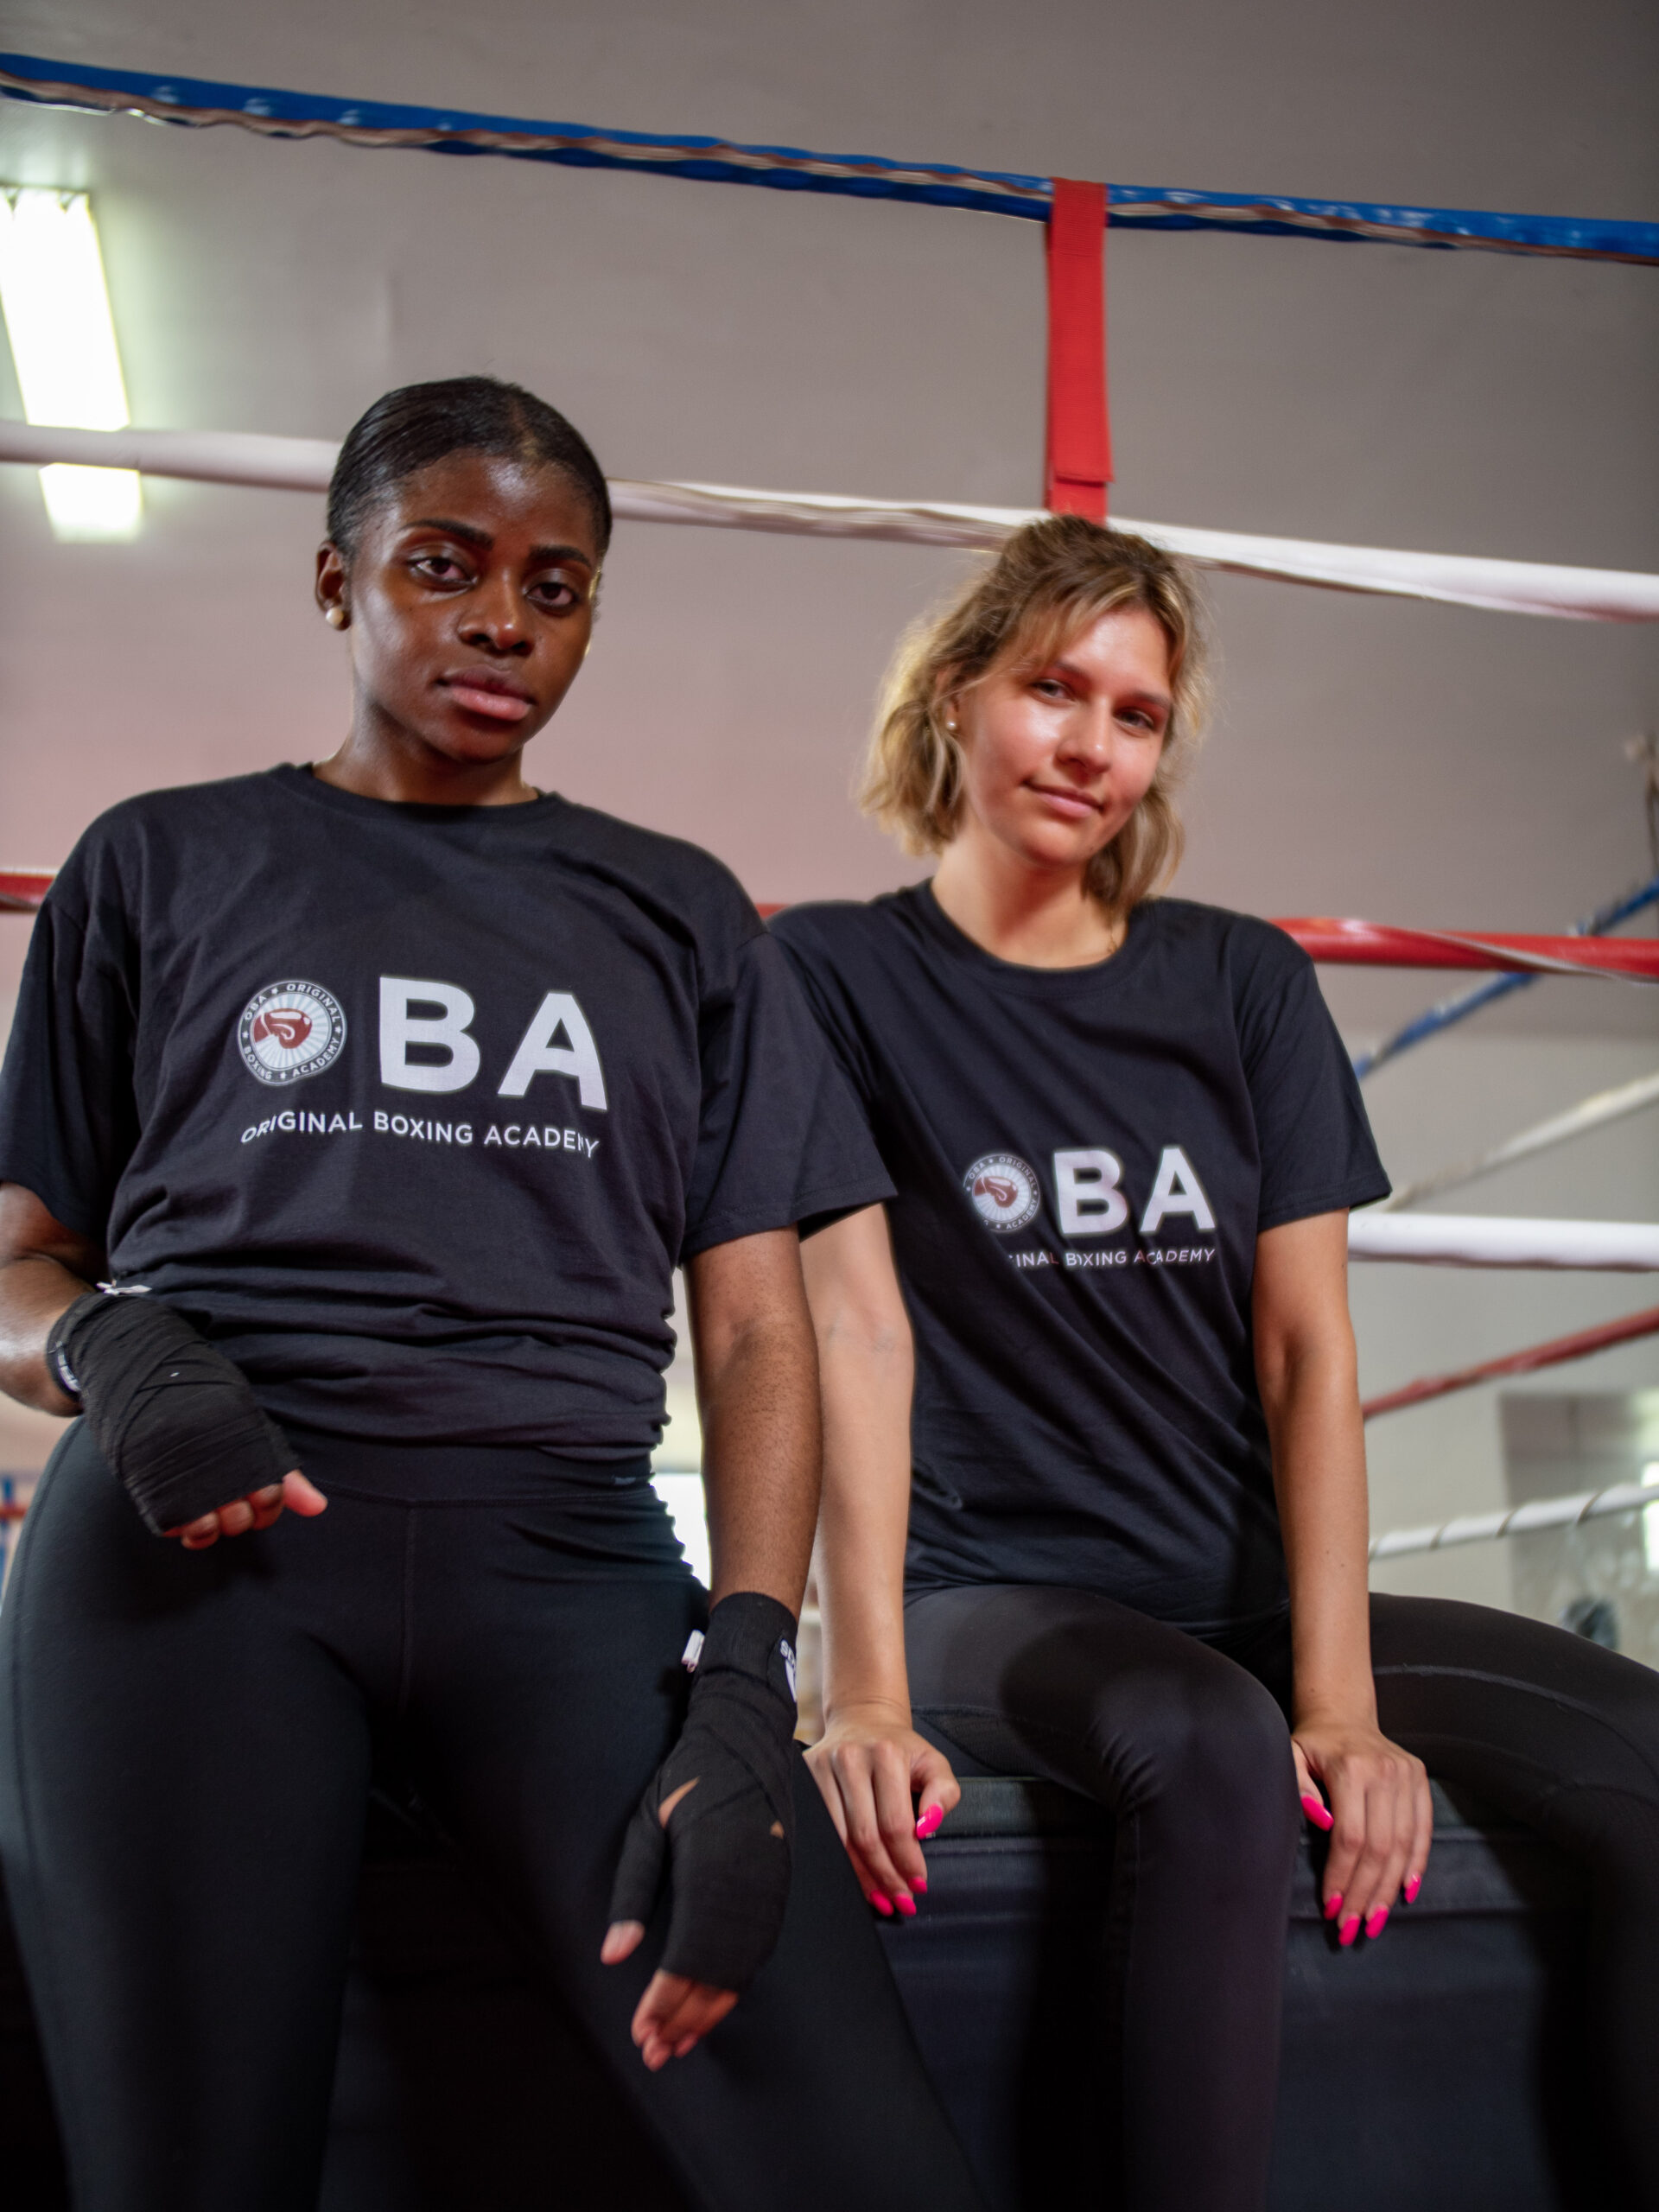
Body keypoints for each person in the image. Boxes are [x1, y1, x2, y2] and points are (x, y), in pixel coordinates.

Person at [0, 377, 986, 2212]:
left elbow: (761, 1324)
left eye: (558, 584)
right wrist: (108, 1336)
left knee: (861, 2159)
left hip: (563, 1555)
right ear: (337, 580)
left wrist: (751, 1675)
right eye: (444, 567)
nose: (501, 620)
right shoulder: (164, 859)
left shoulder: (678, 910)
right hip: (203, 1548)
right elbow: (14, 1253)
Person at [771, 515, 1659, 2212]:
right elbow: (855, 1337)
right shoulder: (830, 973)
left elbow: (1312, 1353)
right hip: (994, 1596)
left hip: (1245, 1593)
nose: (1090, 743)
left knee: (1641, 1750)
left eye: (1137, 711)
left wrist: (1343, 1700)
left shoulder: (1239, 980)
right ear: (957, 695)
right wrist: (860, 1688)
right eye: (1052, 687)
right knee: (1210, 1744)